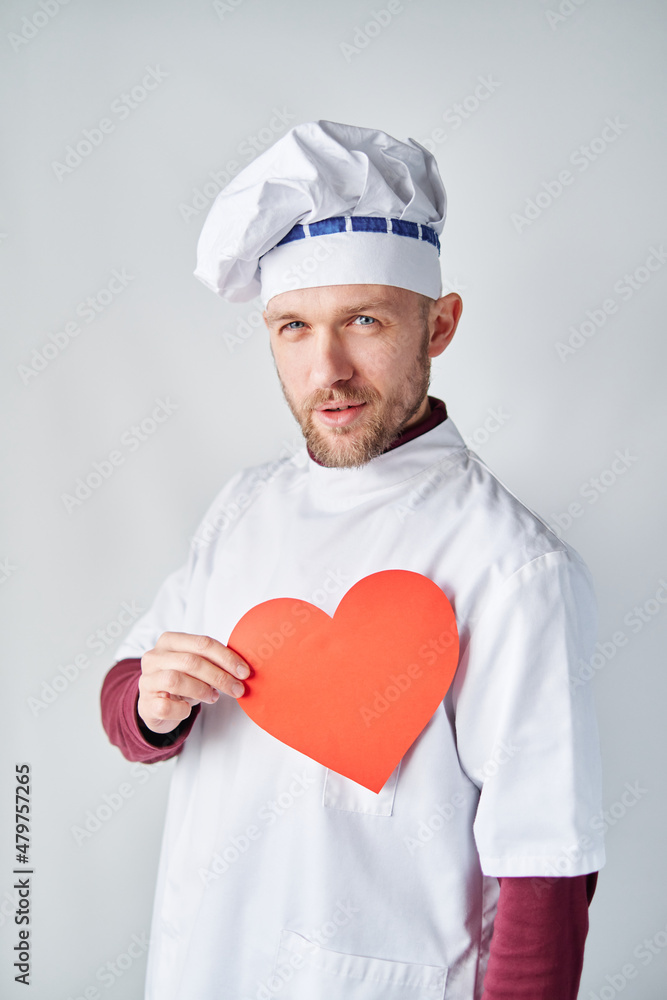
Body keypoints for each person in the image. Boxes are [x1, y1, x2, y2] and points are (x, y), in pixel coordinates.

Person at [101, 119, 605, 1000]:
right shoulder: (244, 504)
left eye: (363, 321)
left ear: (438, 325)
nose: (325, 368)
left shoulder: (512, 565)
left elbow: (545, 872)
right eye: (293, 327)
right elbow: (128, 707)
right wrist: (153, 705)